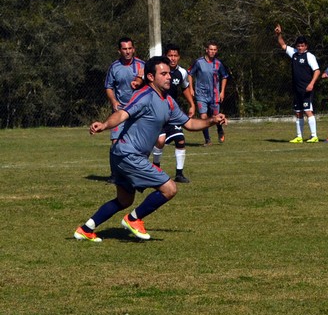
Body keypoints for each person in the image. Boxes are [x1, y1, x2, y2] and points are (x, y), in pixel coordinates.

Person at [74, 56, 228, 242]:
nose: (169, 77)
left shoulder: (169, 102)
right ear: (150, 76)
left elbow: (189, 124)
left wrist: (212, 120)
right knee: (169, 188)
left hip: (123, 155)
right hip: (128, 154)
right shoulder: (145, 95)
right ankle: (133, 219)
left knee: (124, 200)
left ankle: (85, 229)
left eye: (169, 74)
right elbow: (122, 113)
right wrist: (105, 125)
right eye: (163, 74)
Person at [104, 37, 146, 182]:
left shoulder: (142, 66)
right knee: (115, 142)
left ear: (133, 49)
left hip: (138, 111)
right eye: (124, 49)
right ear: (119, 50)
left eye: (130, 48)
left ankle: (137, 173)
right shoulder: (114, 67)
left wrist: (139, 82)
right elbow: (108, 87)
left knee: (139, 144)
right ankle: (115, 174)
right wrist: (114, 101)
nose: (127, 52)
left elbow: (149, 84)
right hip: (120, 110)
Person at [152, 44, 195, 183]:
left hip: (172, 113)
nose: (173, 58)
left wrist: (192, 104)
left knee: (180, 140)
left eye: (175, 56)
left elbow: (185, 88)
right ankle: (156, 169)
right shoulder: (158, 70)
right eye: (170, 55)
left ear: (179, 57)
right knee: (160, 141)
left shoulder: (181, 72)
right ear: (166, 56)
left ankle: (179, 174)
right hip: (157, 113)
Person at [275, 24, 321, 143]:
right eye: (298, 45)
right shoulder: (294, 53)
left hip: (306, 89)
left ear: (306, 46)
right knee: (298, 113)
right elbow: (282, 44)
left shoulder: (309, 56)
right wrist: (279, 34)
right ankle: (299, 137)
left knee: (307, 111)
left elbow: (317, 71)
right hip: (297, 89)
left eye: (302, 46)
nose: (300, 47)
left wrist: (311, 84)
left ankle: (314, 135)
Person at [188, 41, 229, 145]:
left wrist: (222, 91)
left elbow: (224, 76)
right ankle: (207, 139)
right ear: (206, 50)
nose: (212, 52)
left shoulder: (218, 63)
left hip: (214, 95)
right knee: (203, 117)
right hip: (201, 94)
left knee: (216, 116)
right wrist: (191, 88)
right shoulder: (199, 62)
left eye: (215, 50)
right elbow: (190, 74)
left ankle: (220, 130)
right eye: (211, 49)